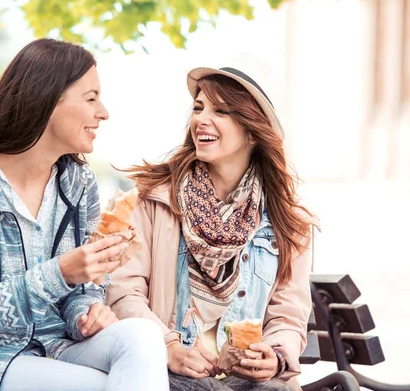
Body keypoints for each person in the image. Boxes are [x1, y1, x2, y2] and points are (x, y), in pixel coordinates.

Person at [0, 38, 169, 391]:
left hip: (58, 346)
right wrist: (59, 273)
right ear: (47, 99)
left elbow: (86, 288)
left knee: (144, 338)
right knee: (99, 386)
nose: (103, 112)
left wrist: (87, 313)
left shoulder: (78, 181)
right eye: (91, 99)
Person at [107, 67, 317, 391]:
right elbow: (123, 292)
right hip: (168, 372)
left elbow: (288, 315)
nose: (201, 119)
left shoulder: (288, 223)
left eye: (220, 111)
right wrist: (167, 346)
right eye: (198, 108)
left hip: (247, 380)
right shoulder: (156, 202)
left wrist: (275, 356)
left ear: (251, 132)